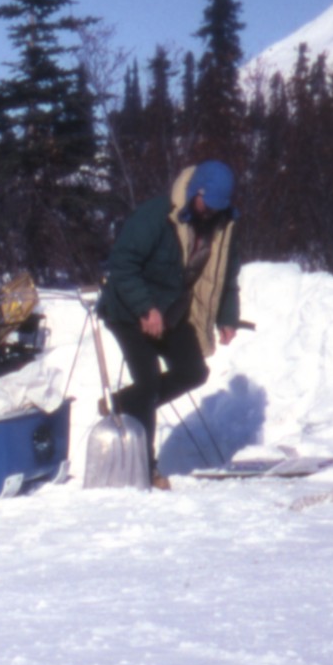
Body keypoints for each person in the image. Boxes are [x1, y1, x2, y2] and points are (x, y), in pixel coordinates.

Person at [96, 160, 243, 488]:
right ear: (196, 192)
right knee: (148, 384)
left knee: (194, 371)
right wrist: (145, 308)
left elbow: (226, 276)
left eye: (218, 207)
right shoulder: (156, 216)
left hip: (171, 312)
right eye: (207, 204)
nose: (211, 212)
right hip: (127, 311)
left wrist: (227, 316)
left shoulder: (222, 225)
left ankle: (124, 404)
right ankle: (146, 468)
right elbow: (122, 264)